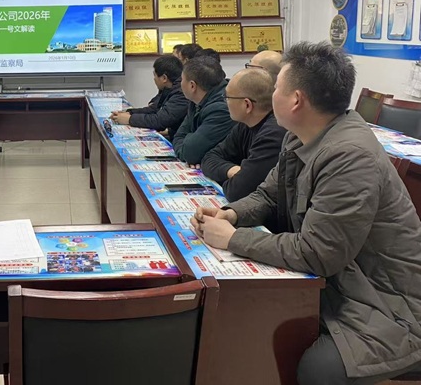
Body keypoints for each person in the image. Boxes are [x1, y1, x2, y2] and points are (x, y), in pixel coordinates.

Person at [191, 42, 421, 385]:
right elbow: (269, 194)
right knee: (249, 318)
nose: (271, 94)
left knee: (316, 368)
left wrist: (234, 239)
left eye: (277, 88)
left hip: (386, 304)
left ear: (296, 100)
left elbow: (318, 253)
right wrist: (231, 215)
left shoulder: (350, 156)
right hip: (343, 283)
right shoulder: (301, 135)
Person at [200, 68, 286, 202]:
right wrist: (233, 170)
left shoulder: (273, 135)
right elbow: (209, 158)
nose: (225, 102)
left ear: (247, 105)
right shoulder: (245, 124)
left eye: (227, 98)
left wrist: (232, 176)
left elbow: (237, 192)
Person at [172, 55, 235, 165]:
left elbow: (189, 153)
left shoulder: (221, 109)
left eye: (182, 80)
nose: (180, 84)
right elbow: (179, 136)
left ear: (192, 86)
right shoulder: (195, 101)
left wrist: (192, 150)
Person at [110, 55, 188, 138]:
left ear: (164, 78)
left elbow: (159, 121)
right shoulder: (169, 89)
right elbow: (154, 109)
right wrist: (129, 113)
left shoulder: (181, 94)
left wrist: (129, 119)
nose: (154, 79)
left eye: (155, 75)